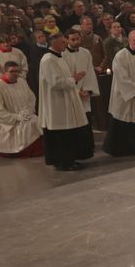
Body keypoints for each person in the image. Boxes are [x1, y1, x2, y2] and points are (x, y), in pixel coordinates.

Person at [38, 32, 92, 171]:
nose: (66, 44)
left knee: (67, 133)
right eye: (63, 42)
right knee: (61, 134)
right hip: (56, 103)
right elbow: (55, 83)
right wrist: (74, 79)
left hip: (64, 100)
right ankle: (63, 162)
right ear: (54, 43)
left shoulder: (59, 57)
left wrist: (73, 79)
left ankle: (69, 160)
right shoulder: (48, 60)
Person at [0, 61, 43, 158]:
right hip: (8, 122)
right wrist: (17, 117)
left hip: (25, 115)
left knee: (37, 121)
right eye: (12, 71)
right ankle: (25, 151)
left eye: (17, 71)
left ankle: (38, 149)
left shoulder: (21, 82)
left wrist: (27, 111)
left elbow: (31, 98)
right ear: (5, 72)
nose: (15, 74)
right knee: (31, 124)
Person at [65, 28, 100, 158]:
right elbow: (64, 77)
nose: (76, 42)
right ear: (67, 40)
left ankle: (87, 149)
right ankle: (76, 151)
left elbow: (90, 73)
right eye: (72, 39)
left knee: (86, 122)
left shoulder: (86, 53)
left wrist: (88, 90)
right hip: (70, 94)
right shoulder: (62, 55)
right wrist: (76, 91)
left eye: (77, 39)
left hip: (85, 93)